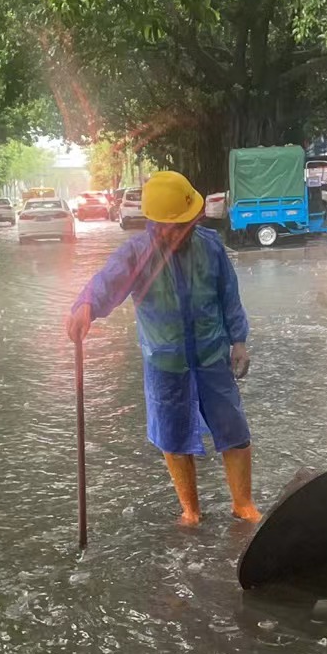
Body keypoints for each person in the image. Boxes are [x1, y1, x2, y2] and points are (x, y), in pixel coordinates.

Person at [65, 171, 260, 526]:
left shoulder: (211, 246)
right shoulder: (135, 255)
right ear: (153, 223)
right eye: (170, 227)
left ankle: (243, 503)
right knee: (173, 436)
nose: (178, 233)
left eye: (184, 224)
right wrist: (86, 306)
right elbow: (105, 283)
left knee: (234, 430)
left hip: (211, 356)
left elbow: (229, 296)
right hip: (165, 363)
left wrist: (239, 341)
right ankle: (191, 511)